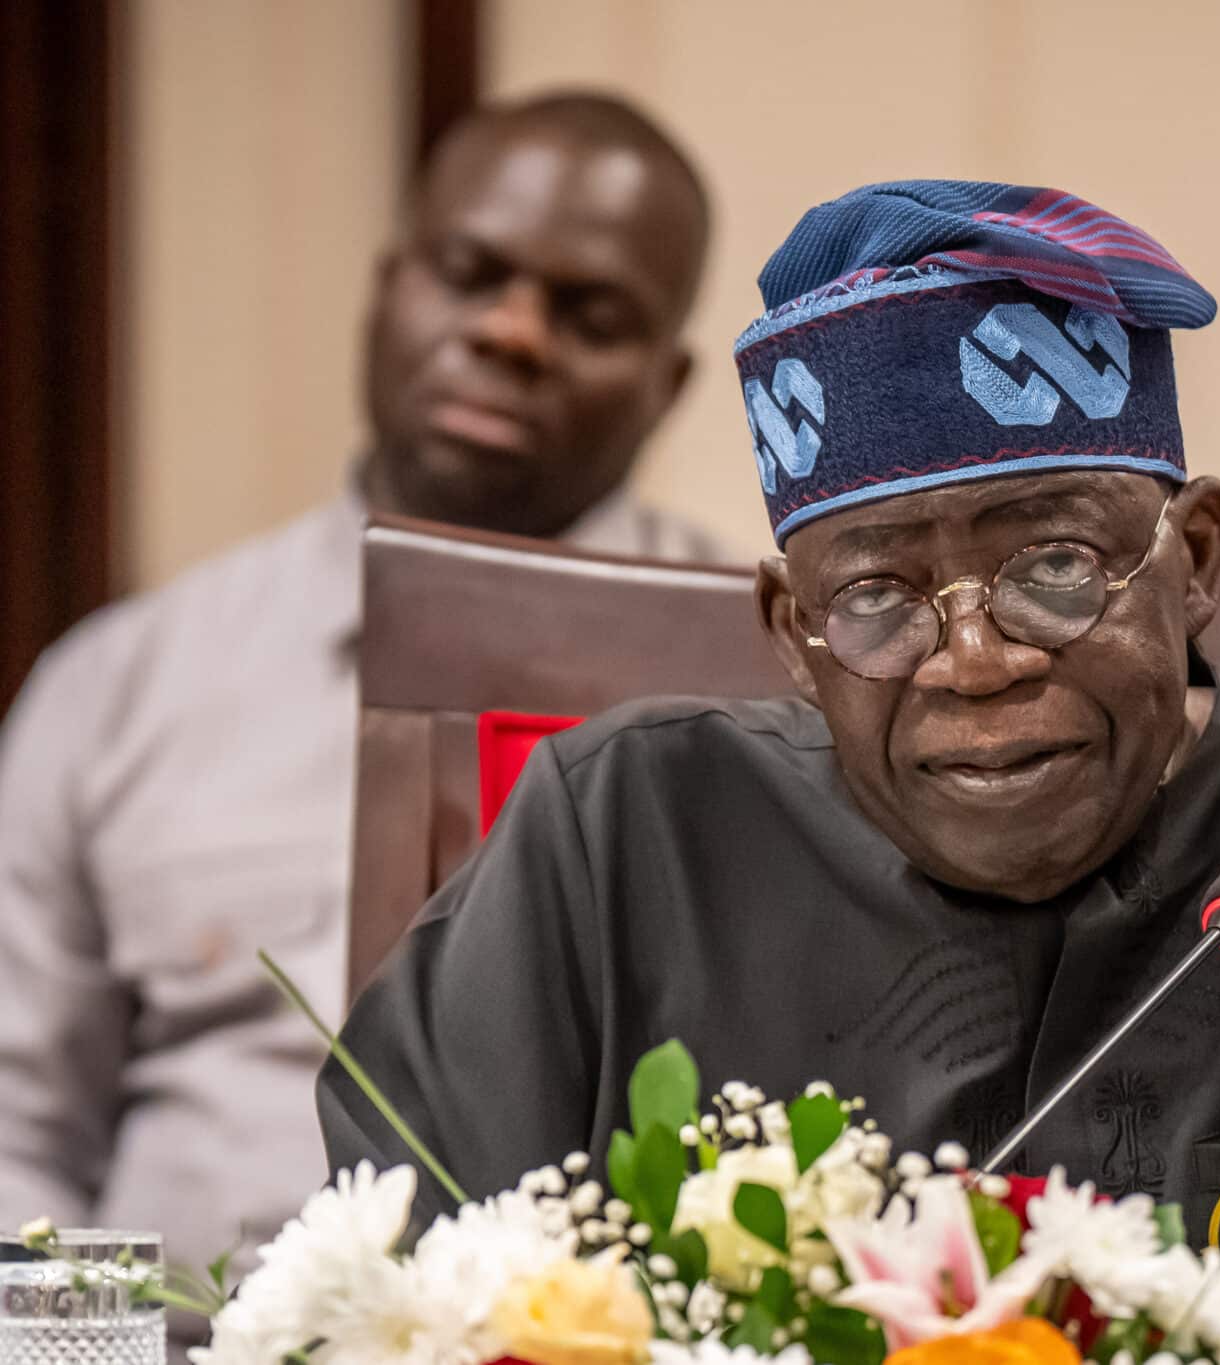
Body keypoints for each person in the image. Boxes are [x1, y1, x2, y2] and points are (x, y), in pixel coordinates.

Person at [323, 180, 1220, 1362]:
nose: (976, 662)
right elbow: (391, 1314)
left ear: (1196, 558)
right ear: (791, 632)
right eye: (879, 600)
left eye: (1057, 567)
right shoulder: (619, 835)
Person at [0, 90, 729, 1360]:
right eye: (470, 273)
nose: (511, 332)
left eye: (589, 314)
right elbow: (17, 1136)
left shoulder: (765, 692)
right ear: (389, 287)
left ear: (666, 382)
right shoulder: (123, 685)